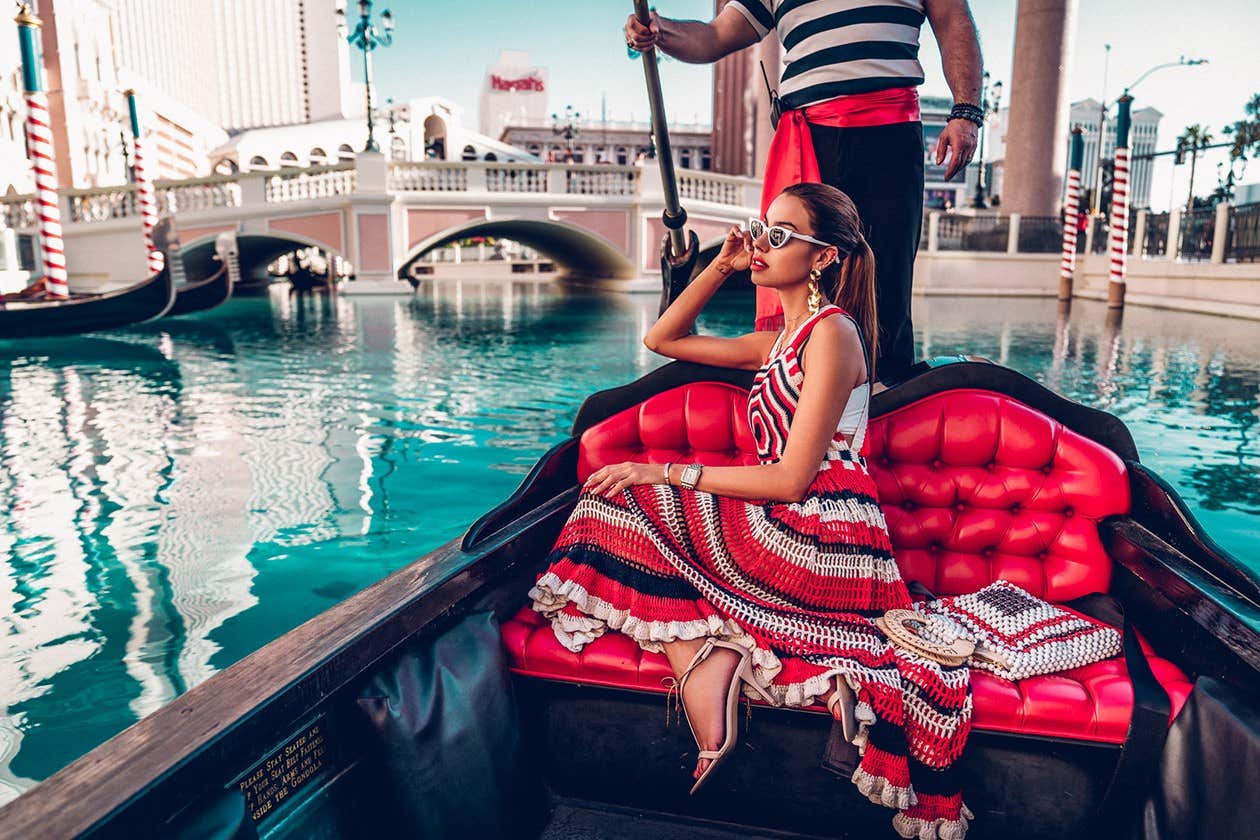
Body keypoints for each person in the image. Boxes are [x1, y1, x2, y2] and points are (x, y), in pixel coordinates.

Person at [531, 184, 973, 838]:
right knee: (614, 500)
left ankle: (715, 670)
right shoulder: (779, 338)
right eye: (764, 229)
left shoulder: (834, 335)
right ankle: (710, 666)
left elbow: (795, 478)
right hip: (786, 523)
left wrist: (665, 471)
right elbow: (663, 338)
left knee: (630, 498)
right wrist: (722, 263)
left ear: (823, 257)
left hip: (823, 533)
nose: (764, 243)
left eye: (782, 235)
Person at [626, 1, 984, 386]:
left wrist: (967, 111)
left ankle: (881, 389)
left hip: (888, 132)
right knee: (800, 268)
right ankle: (803, 382)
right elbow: (716, 36)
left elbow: (953, 20)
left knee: (885, 278)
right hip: (808, 135)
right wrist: (660, 31)